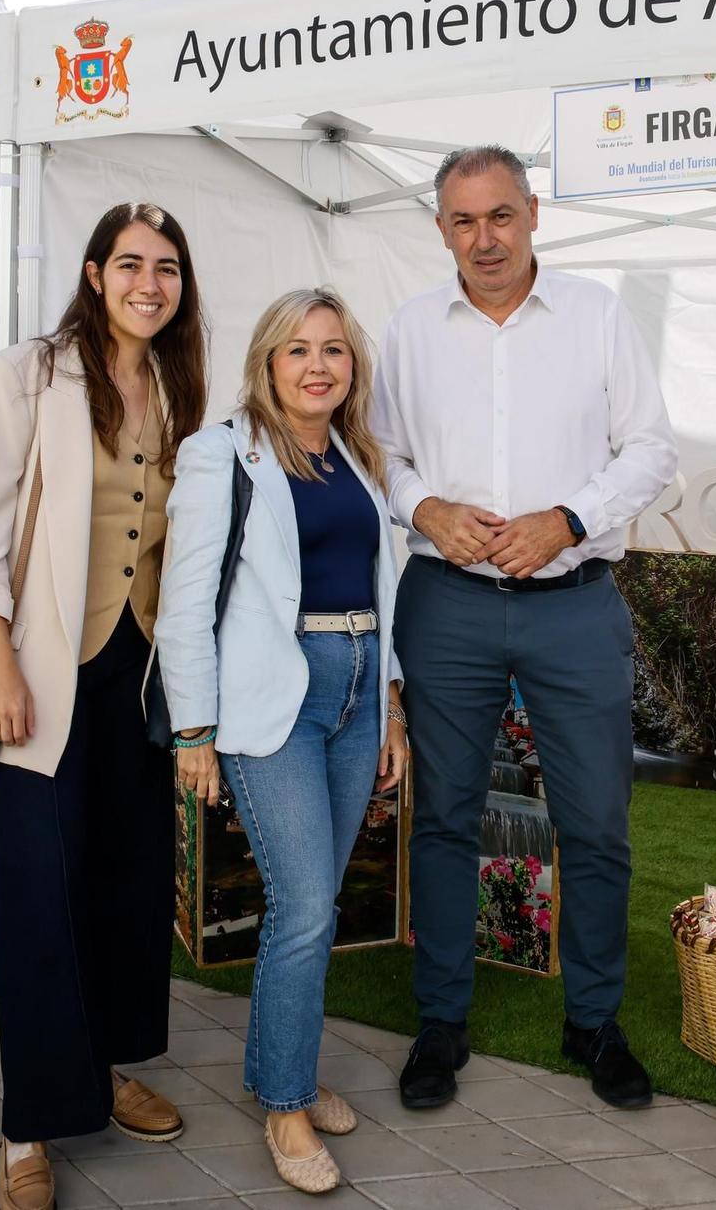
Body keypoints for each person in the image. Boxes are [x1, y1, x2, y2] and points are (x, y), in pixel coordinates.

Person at [373, 145, 678, 1111]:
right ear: (440, 231)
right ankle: (440, 1023)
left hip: (574, 606)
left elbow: (652, 448)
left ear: (534, 213)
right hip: (447, 606)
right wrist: (424, 507)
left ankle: (594, 1023)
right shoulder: (410, 330)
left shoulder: (596, 316)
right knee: (446, 818)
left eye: (500, 216)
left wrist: (570, 519)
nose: (484, 238)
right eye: (463, 222)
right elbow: (377, 450)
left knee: (597, 825)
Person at [0, 203, 207, 1210]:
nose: (150, 283)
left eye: (168, 268)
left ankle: (100, 1066)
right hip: (45, 670)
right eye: (131, 264)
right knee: (42, 893)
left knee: (127, 880)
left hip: (138, 671)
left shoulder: (179, 382)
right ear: (94, 274)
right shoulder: (24, 373)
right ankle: (25, 1121)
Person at [157, 287, 411, 1193]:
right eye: (298, 350)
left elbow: (381, 593)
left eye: (334, 350)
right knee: (303, 904)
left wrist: (391, 707)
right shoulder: (220, 452)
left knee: (323, 901)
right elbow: (185, 601)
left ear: (353, 366)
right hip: (273, 701)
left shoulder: (357, 455)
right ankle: (285, 1105)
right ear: (267, 362)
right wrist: (194, 730)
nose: (317, 366)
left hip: (354, 685)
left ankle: (286, 1070)